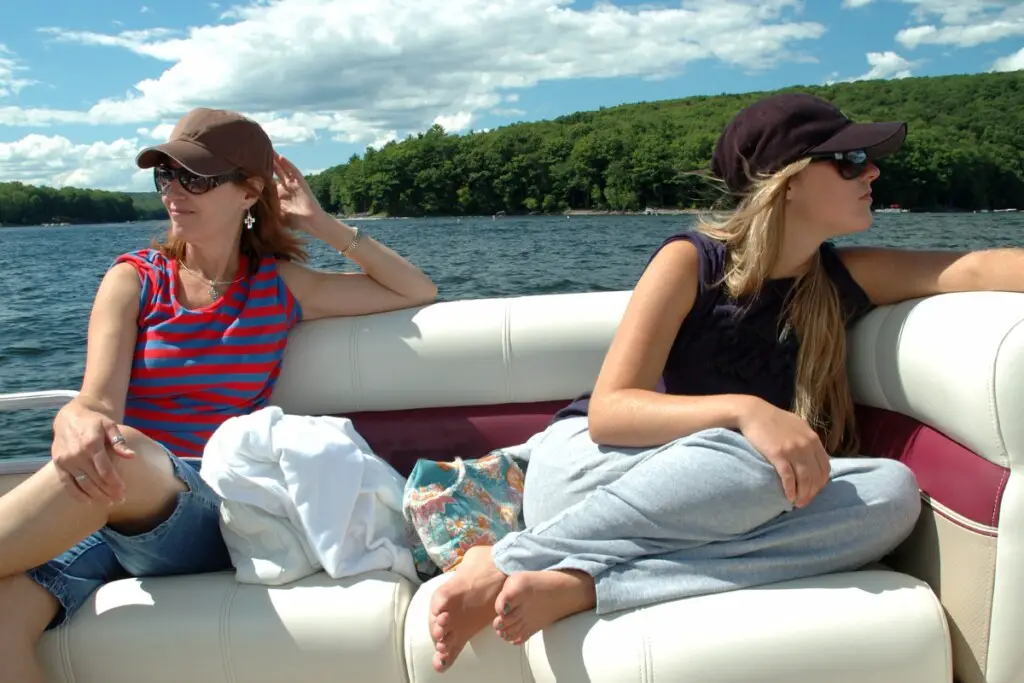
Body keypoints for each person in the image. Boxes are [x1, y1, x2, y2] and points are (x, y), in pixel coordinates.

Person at [426, 92, 1024, 673]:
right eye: (847, 161)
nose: (870, 171)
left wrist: (754, 433)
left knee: (890, 494)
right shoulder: (692, 261)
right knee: (754, 461)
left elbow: (969, 269)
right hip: (597, 469)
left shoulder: (839, 278)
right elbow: (611, 411)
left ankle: (584, 585)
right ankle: (511, 559)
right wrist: (746, 412)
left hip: (717, 497)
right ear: (788, 180)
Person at [0, 107, 436, 682]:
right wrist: (74, 418)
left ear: (249, 191)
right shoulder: (134, 279)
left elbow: (415, 289)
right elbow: (95, 403)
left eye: (195, 178)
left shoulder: (279, 285)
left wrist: (322, 223)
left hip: (210, 507)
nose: (174, 192)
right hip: (113, 507)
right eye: (166, 177)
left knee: (120, 452)